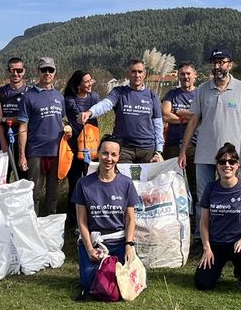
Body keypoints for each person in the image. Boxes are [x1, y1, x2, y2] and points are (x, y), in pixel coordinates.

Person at [178, 48, 241, 208]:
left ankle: (230, 232)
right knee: (203, 198)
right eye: (214, 63)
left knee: (232, 195)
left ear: (230, 65)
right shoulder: (202, 90)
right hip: (204, 154)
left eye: (221, 62)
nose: (217, 66)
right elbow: (193, 122)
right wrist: (183, 151)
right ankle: (202, 233)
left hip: (231, 157)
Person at [73, 136, 140, 297]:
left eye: (113, 155)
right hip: (94, 242)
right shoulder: (84, 184)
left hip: (118, 242)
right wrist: (89, 249)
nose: (109, 159)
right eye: (105, 153)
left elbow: (130, 218)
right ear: (98, 153)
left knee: (119, 282)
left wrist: (129, 245)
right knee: (91, 284)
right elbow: (81, 221)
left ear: (118, 157)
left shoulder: (126, 184)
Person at [195, 143, 241, 291]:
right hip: (216, 244)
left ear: (237, 165)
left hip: (238, 242)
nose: (227, 165)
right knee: (203, 284)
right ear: (217, 165)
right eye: (222, 162)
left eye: (231, 162)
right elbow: (204, 222)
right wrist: (207, 248)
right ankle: (216, 271)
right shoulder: (210, 188)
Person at [80, 59, 164, 163]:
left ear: (144, 74)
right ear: (128, 74)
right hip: (123, 149)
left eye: (140, 72)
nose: (137, 75)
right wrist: (90, 112)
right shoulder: (119, 92)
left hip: (147, 150)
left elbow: (158, 124)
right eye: (133, 71)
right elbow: (105, 104)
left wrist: (159, 151)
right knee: (123, 179)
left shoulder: (152, 96)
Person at [17, 58, 66, 217]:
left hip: (57, 152)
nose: (47, 73)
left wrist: (68, 130)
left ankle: (51, 226)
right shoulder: (28, 97)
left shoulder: (59, 96)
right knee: (34, 193)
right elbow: (23, 127)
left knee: (53, 193)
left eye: (50, 70)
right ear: (38, 72)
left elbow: (63, 120)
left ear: (55, 72)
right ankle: (33, 225)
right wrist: (22, 155)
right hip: (36, 151)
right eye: (44, 70)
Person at [63, 69, 100, 228]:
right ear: (78, 85)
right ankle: (74, 221)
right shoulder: (68, 100)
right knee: (75, 184)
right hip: (73, 149)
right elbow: (63, 119)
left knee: (93, 183)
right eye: (86, 81)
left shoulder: (95, 98)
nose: (90, 83)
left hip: (92, 148)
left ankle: (92, 220)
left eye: (90, 80)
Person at [161, 61, 198, 204]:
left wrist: (177, 112)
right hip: (173, 145)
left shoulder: (200, 94)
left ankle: (195, 221)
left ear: (195, 76)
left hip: (195, 145)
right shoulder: (172, 94)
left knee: (195, 185)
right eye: (182, 74)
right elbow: (165, 114)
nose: (185, 77)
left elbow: (200, 117)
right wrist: (189, 118)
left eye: (188, 74)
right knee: (172, 184)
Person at [0, 57, 30, 178]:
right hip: (3, 143)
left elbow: (27, 120)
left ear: (24, 71)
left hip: (25, 144)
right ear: (7, 71)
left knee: (23, 181)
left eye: (19, 70)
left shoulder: (30, 93)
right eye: (12, 70)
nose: (15, 73)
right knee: (0, 180)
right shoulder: (0, 93)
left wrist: (5, 119)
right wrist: (3, 144)